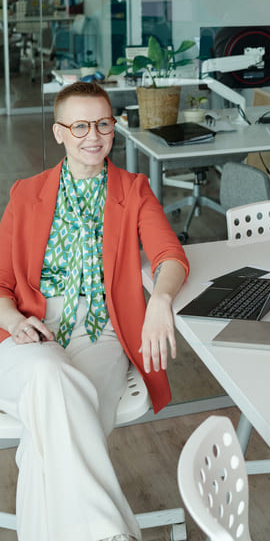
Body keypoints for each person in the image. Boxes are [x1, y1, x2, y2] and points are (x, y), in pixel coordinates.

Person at [0, 82, 189, 541]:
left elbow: (170, 256)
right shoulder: (26, 194)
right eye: (80, 125)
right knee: (48, 377)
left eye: (103, 123)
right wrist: (13, 320)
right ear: (60, 132)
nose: (94, 135)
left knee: (44, 448)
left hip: (103, 333)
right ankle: (111, 532)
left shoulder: (133, 190)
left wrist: (160, 301)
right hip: (31, 331)